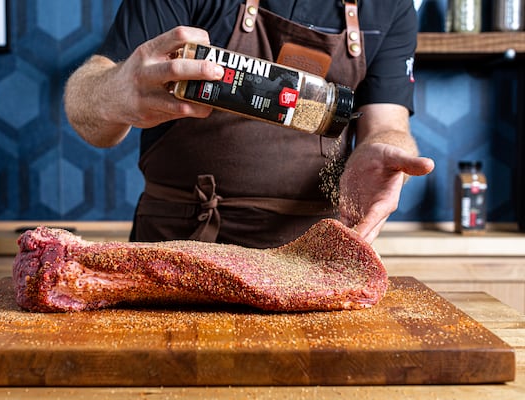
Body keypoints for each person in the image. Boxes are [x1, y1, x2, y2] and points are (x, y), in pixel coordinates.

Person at [64, 0, 435, 248]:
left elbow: (387, 125)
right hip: (177, 244)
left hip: (310, 257)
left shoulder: (391, 6)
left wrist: (386, 154)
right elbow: (87, 113)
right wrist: (116, 91)